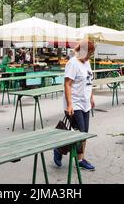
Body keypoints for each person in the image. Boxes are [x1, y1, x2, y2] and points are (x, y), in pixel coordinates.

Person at [53, 40, 96, 171]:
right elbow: (67, 84)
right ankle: (69, 154)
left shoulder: (87, 62)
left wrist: (91, 97)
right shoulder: (72, 63)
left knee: (84, 133)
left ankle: (76, 157)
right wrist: (70, 105)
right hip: (75, 103)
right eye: (89, 53)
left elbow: (89, 81)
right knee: (79, 133)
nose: (90, 56)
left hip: (85, 103)